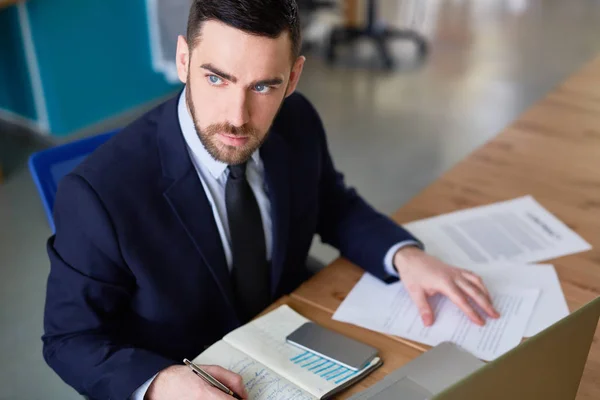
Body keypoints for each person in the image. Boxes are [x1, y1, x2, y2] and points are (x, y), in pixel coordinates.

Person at [42, 1, 499, 399]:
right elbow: (70, 338)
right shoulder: (98, 195)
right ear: (183, 60)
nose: (237, 118)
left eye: (263, 86)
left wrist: (403, 256)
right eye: (216, 78)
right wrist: (160, 383)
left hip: (290, 344)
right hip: (189, 374)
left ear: (293, 77)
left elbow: (332, 204)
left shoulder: (296, 120)